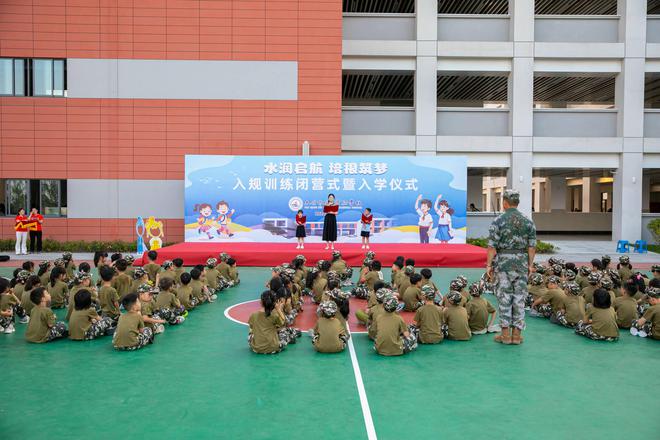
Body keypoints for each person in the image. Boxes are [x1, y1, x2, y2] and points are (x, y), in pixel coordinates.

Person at [486, 189, 537, 345]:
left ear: (505, 202)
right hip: (521, 264)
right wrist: (530, 265)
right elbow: (532, 246)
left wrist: (488, 265)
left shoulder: (498, 221)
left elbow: (491, 246)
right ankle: (517, 336)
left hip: (503, 265)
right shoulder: (528, 221)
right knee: (519, 299)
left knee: (504, 299)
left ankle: (505, 335)